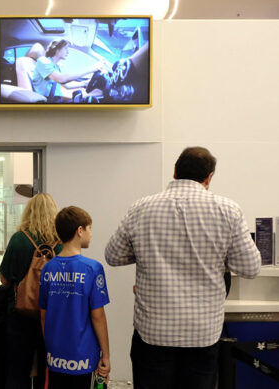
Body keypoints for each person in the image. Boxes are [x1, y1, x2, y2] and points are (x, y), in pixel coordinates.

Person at [105, 147, 262, 389]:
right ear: (209, 178)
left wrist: (147, 252)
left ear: (175, 172)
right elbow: (251, 268)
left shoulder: (141, 208)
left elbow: (113, 256)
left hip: (152, 333)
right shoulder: (228, 210)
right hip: (203, 334)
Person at [40, 206, 110, 388]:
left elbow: (43, 314)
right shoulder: (93, 269)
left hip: (55, 354)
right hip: (83, 356)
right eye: (90, 228)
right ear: (80, 230)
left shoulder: (47, 269)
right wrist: (106, 355)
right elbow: (98, 316)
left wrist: (49, 347)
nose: (91, 234)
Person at [0, 193, 62, 389]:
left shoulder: (19, 239)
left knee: (18, 370)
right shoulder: (60, 243)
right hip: (53, 315)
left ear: (29, 212)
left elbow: (4, 279)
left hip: (19, 313)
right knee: (49, 368)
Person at [31, 39, 105, 102]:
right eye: (66, 48)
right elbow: (61, 79)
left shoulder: (56, 68)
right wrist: (91, 69)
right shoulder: (43, 61)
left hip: (55, 100)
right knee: (90, 99)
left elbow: (67, 85)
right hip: (47, 101)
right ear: (56, 48)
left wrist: (84, 83)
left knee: (86, 96)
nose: (68, 52)